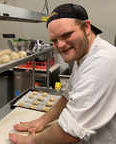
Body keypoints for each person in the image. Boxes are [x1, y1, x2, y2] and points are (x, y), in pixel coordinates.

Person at [9, 3, 116, 144]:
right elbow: (67, 96)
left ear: (87, 27)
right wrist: (42, 121)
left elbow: (68, 134)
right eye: (54, 40)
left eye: (67, 35)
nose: (60, 45)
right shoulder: (84, 55)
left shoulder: (102, 61)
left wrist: (31, 141)